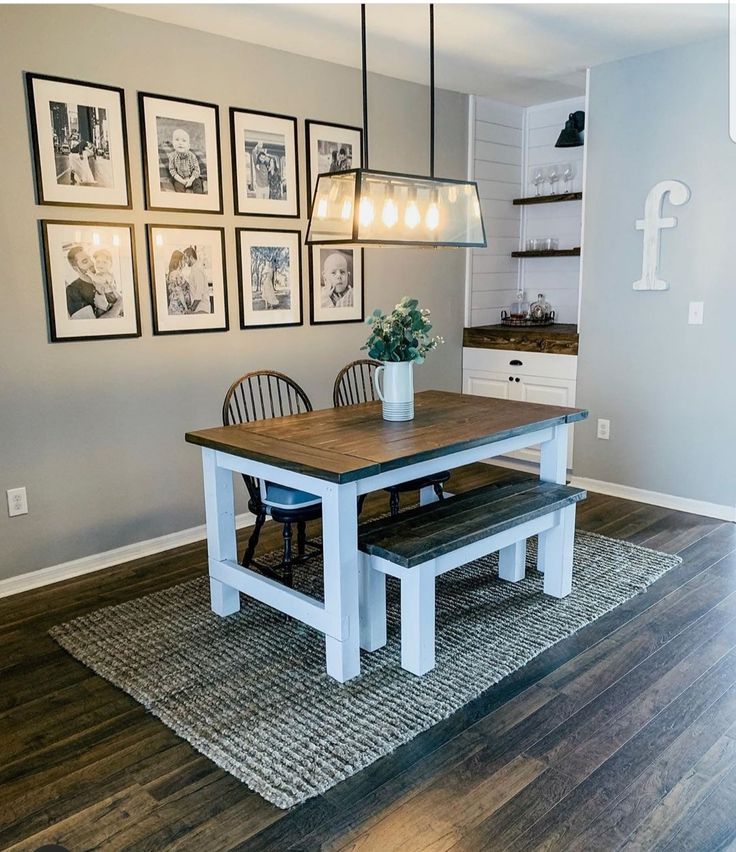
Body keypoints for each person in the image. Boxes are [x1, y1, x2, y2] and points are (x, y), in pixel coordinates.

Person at [65, 245, 122, 318]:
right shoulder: (72, 290)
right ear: (76, 268)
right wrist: (120, 303)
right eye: (85, 261)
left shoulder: (103, 278)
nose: (92, 263)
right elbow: (92, 325)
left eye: (91, 258)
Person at [167, 128, 203, 193]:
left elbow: (197, 170)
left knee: (198, 183)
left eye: (184, 141)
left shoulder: (192, 156)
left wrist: (191, 180)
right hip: (179, 178)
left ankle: (199, 197)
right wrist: (182, 181)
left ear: (188, 146)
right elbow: (172, 171)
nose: (180, 143)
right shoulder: (172, 156)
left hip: (192, 177)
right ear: (173, 144)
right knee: (177, 186)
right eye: (177, 140)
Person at [90, 248, 123, 315]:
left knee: (108, 312)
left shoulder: (107, 275)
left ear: (110, 264)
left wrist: (90, 274)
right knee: (100, 313)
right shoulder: (99, 274)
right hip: (102, 297)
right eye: (98, 261)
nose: (100, 264)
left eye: (104, 262)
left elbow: (99, 280)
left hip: (109, 297)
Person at [183, 246, 210, 313]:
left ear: (191, 257)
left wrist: (191, 309)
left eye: (186, 258)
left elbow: (199, 292)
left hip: (201, 309)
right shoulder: (194, 269)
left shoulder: (197, 270)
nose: (185, 261)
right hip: (198, 309)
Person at [166, 250, 190, 314]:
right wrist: (186, 307)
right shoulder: (177, 274)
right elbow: (180, 293)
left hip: (172, 306)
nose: (184, 262)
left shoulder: (171, 273)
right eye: (183, 260)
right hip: (179, 308)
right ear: (178, 261)